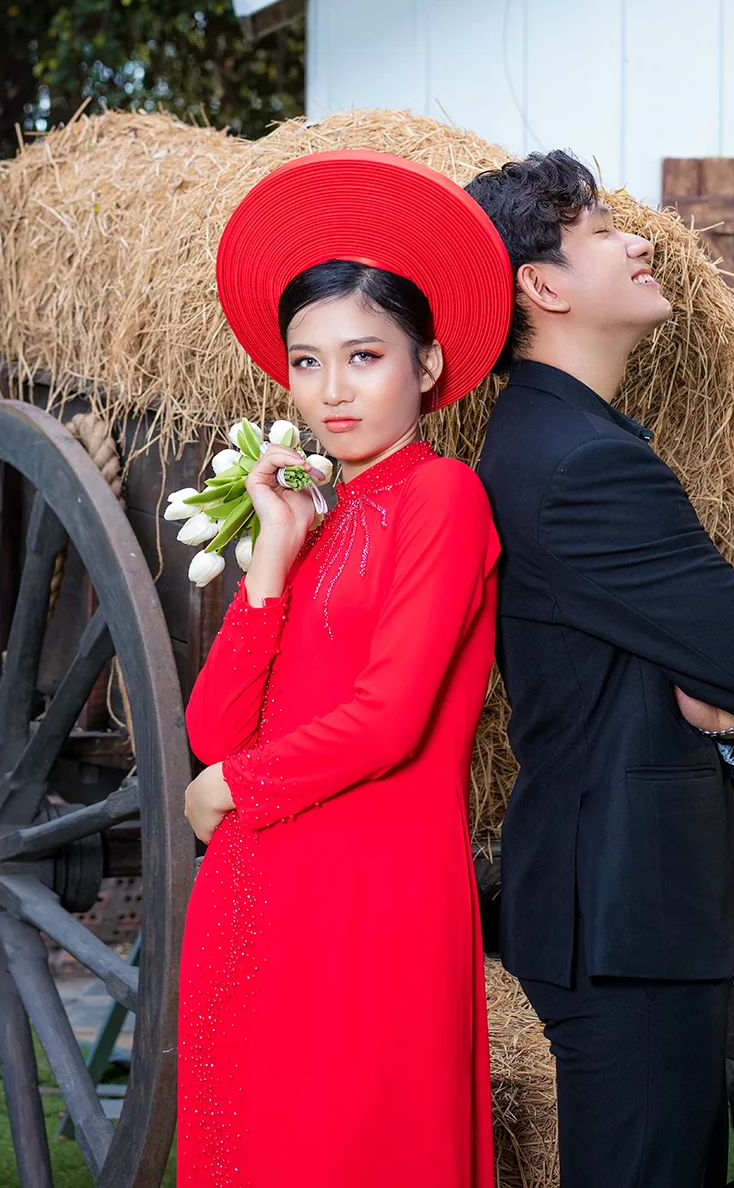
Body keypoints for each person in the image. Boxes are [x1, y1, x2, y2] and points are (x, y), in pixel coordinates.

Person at [467, 150, 734, 1188]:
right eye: (603, 228)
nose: (639, 240)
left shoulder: (556, 435)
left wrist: (728, 717)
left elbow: (717, 680)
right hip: (626, 909)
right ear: (543, 284)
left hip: (622, 904)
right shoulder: (584, 465)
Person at [176, 150, 514, 1188]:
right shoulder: (315, 517)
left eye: (364, 356)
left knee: (360, 1150)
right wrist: (270, 562)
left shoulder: (443, 498)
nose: (332, 390)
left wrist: (232, 789)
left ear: (428, 362)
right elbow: (213, 729)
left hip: (371, 898)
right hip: (257, 898)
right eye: (308, 361)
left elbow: (390, 718)